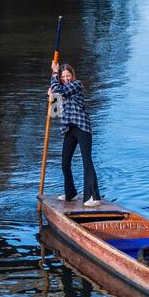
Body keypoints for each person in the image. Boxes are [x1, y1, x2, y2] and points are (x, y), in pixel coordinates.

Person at [50, 61, 102, 206]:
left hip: (82, 127)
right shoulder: (59, 89)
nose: (66, 78)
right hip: (69, 129)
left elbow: (61, 91)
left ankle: (94, 197)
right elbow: (55, 112)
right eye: (63, 76)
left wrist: (54, 72)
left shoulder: (76, 85)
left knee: (87, 161)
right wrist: (52, 97)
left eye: (68, 76)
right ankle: (71, 193)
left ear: (72, 76)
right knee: (65, 162)